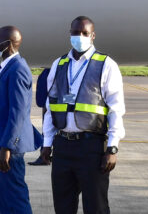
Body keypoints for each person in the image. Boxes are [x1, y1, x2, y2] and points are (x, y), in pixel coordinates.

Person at [40, 16, 126, 214]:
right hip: (62, 146)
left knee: (95, 207)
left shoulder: (106, 64)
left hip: (91, 147)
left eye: (84, 33)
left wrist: (112, 148)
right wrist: (47, 142)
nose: (79, 36)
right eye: (75, 32)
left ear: (93, 36)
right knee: (63, 206)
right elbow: (50, 105)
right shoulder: (59, 64)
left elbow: (116, 108)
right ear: (69, 34)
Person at [0, 26, 42, 214]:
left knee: (15, 199)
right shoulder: (7, 66)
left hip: (8, 149)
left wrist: (6, 147)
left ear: (6, 44)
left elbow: (18, 112)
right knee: (4, 197)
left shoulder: (18, 69)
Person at [28, 67, 51, 166]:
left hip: (51, 105)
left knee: (47, 128)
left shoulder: (47, 73)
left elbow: (42, 100)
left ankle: (44, 156)